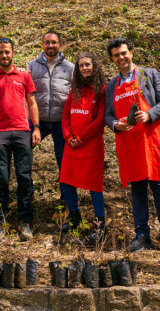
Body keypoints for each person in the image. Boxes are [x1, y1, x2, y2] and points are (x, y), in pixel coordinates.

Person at [104, 37, 160, 255]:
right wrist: (115, 124)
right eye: (116, 55)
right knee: (137, 189)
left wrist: (149, 114)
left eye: (123, 53)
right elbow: (107, 115)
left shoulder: (149, 75)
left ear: (131, 53)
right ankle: (142, 236)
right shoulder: (112, 85)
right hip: (129, 142)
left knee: (159, 186)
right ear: (112, 59)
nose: (121, 57)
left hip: (152, 140)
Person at [0, 37, 41, 240]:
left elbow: (32, 103)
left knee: (24, 178)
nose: (4, 55)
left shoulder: (24, 75)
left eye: (7, 52)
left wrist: (36, 128)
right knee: (2, 180)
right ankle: (0, 223)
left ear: (13, 53)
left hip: (23, 132)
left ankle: (26, 223)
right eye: (0, 52)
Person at [59, 52, 107, 245]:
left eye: (88, 65)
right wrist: (69, 137)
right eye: (81, 66)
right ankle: (75, 218)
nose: (85, 68)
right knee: (66, 181)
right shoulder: (75, 90)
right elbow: (65, 118)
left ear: (94, 67)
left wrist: (81, 137)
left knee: (94, 186)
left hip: (91, 145)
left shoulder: (102, 90)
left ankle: (100, 224)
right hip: (72, 145)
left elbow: (100, 119)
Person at [26, 31, 74, 177]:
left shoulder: (70, 67)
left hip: (61, 121)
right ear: (42, 45)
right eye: (47, 43)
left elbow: (76, 93)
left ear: (59, 45)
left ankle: (65, 196)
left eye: (54, 42)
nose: (50, 45)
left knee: (63, 158)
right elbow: (26, 92)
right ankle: (28, 194)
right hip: (37, 120)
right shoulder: (32, 66)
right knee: (24, 153)